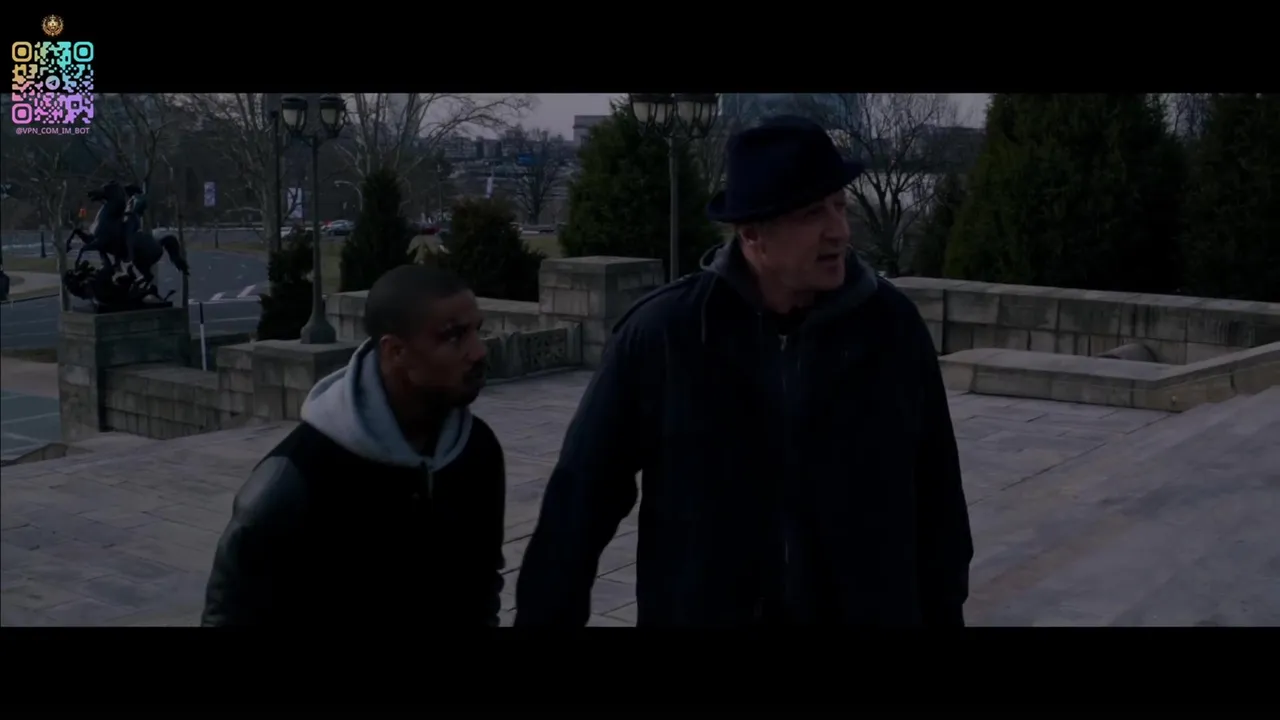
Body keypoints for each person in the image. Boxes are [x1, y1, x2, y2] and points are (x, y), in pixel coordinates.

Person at [515, 116, 973, 627]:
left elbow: (939, 499)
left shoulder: (891, 328)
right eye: (812, 213)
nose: (839, 231)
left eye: (840, 206)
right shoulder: (666, 334)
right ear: (752, 232)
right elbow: (580, 501)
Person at [202, 264, 506, 626]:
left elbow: (482, 587)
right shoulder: (292, 481)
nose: (478, 351)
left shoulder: (477, 450)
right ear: (395, 351)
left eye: (476, 330)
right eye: (454, 336)